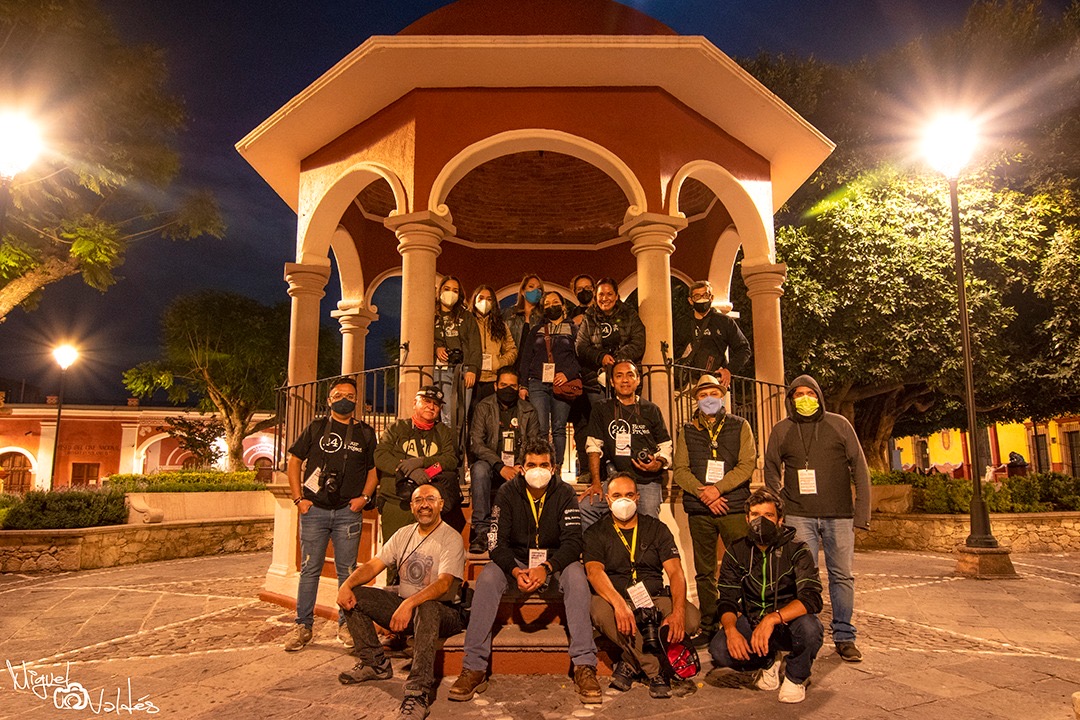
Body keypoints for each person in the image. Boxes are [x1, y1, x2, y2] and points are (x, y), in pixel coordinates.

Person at [449, 439, 602, 705]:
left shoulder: (564, 492)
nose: (538, 470)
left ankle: (584, 665)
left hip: (554, 563)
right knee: (487, 578)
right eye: (532, 465)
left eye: (544, 465)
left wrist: (547, 567)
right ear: (521, 468)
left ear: (553, 468)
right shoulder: (507, 492)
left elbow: (573, 542)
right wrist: (514, 571)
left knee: (578, 577)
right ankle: (474, 667)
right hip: (515, 562)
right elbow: (496, 543)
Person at [764, 375, 870, 663]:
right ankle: (802, 633)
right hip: (799, 515)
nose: (805, 399)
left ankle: (844, 636)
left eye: (810, 393)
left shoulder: (840, 425)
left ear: (819, 396)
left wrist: (862, 514)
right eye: (798, 394)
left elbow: (860, 468)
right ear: (790, 399)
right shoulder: (782, 430)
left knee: (842, 576)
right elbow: (771, 467)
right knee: (801, 578)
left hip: (840, 515)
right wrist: (780, 502)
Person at [336, 484, 465, 720]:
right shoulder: (403, 534)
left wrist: (409, 604)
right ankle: (374, 663)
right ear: (412, 506)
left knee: (426, 606)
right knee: (356, 595)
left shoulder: (451, 538)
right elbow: (374, 565)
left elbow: (444, 584)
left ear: (441, 505)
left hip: (445, 613)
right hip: (408, 607)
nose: (424, 505)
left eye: (430, 499)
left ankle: (418, 692)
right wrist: (346, 585)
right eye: (418, 500)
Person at [584, 473, 699, 699]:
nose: (623, 500)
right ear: (607, 499)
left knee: (691, 620)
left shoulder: (657, 528)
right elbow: (594, 572)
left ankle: (629, 663)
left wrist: (678, 612)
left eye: (629, 495)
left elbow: (675, 572)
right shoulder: (595, 532)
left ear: (637, 497)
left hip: (653, 596)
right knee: (601, 613)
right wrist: (619, 605)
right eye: (617, 495)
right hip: (614, 598)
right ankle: (657, 672)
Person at [284, 377, 379, 652]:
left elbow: (373, 471)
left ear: (356, 400)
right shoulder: (315, 427)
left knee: (347, 573)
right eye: (338, 395)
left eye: (349, 396)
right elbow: (294, 461)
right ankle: (303, 625)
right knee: (309, 570)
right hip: (314, 509)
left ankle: (346, 625)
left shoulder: (365, 433)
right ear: (329, 400)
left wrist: (364, 498)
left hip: (348, 513)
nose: (344, 400)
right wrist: (299, 499)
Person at [709, 488, 824, 704]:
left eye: (768, 515)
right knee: (720, 649)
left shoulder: (797, 549)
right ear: (747, 518)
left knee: (811, 630)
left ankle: (796, 676)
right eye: (755, 515)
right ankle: (768, 661)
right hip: (753, 621)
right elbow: (727, 599)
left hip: (789, 622)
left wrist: (772, 618)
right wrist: (731, 631)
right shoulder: (736, 550)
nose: (760, 521)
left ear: (780, 520)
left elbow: (812, 598)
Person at [672, 374, 755, 644]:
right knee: (704, 571)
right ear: (696, 399)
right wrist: (704, 494)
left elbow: (747, 464)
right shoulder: (686, 430)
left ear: (722, 396)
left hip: (733, 506)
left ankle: (748, 619)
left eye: (714, 394)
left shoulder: (740, 426)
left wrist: (717, 489)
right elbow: (680, 470)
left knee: (744, 565)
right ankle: (709, 625)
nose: (708, 399)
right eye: (702, 395)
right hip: (700, 510)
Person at [579, 359, 671, 529]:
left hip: (646, 481)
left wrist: (657, 464)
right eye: (619, 376)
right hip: (616, 481)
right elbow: (593, 447)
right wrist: (596, 483)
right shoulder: (601, 408)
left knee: (649, 525)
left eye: (630, 375)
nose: (625, 380)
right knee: (586, 507)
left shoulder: (651, 409)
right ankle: (598, 546)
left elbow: (666, 445)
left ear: (638, 380)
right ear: (612, 381)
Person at [468, 365, 540, 554]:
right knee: (479, 469)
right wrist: (499, 466)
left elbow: (534, 443)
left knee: (537, 471)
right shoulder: (484, 407)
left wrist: (521, 464)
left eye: (512, 386)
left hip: (520, 464)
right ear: (495, 386)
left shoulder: (529, 410)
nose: (508, 389)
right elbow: (476, 443)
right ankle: (482, 531)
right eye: (503, 385)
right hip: (492, 464)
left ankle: (528, 531)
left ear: (518, 387)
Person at [375, 385, 463, 539]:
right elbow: (380, 456)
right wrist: (408, 471)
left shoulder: (443, 431)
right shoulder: (396, 428)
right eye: (426, 401)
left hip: (431, 507)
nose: (431, 407)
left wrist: (425, 466)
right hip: (398, 503)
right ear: (414, 403)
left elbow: (450, 460)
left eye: (436, 404)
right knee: (395, 552)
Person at [518, 291, 580, 477]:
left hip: (562, 384)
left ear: (563, 305)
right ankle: (543, 465)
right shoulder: (536, 330)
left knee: (560, 427)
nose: (551, 306)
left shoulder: (573, 329)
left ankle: (557, 467)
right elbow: (526, 358)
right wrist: (523, 385)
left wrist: (567, 374)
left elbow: (580, 357)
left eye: (555, 302)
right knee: (541, 428)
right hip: (538, 382)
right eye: (547, 304)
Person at [574, 277, 645, 395]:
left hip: (626, 378)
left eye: (609, 294)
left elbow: (638, 342)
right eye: (601, 294)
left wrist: (615, 360)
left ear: (616, 296)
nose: (605, 298)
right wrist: (601, 357)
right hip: (596, 381)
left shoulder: (629, 314)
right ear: (596, 297)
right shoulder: (589, 316)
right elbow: (581, 346)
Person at [675, 281, 751, 389]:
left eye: (705, 295)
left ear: (711, 298)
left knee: (712, 401)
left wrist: (729, 370)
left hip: (714, 382)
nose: (702, 299)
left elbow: (744, 349)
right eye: (697, 296)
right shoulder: (682, 323)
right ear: (690, 300)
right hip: (686, 384)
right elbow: (673, 351)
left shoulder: (724, 322)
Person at [433, 275, 481, 429]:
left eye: (455, 290)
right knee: (446, 415)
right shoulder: (432, 315)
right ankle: (447, 444)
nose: (450, 293)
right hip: (441, 369)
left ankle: (459, 444)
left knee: (461, 415)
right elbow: (423, 338)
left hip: (464, 369)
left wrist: (472, 369)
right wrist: (436, 348)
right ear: (440, 291)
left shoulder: (466, 316)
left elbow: (475, 344)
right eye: (447, 289)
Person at [566, 274, 597, 480]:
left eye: (587, 287)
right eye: (579, 289)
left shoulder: (601, 313)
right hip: (577, 377)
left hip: (597, 377)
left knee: (599, 423)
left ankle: (603, 468)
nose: (584, 291)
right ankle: (586, 468)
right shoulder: (571, 315)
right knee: (580, 425)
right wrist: (572, 324)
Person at [470, 285, 517, 405]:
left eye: (489, 299)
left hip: (492, 379)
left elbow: (512, 350)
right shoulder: (468, 322)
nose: (485, 302)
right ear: (474, 300)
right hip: (472, 378)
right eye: (481, 298)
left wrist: (499, 363)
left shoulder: (501, 325)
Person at [503, 274, 544, 360]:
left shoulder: (543, 316)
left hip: (534, 364)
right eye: (531, 286)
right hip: (512, 362)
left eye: (539, 288)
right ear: (522, 291)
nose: (535, 291)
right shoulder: (509, 313)